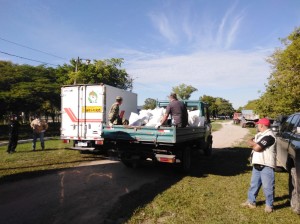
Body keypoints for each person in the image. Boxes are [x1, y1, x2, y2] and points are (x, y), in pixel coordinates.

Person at [241, 118, 276, 213]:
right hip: (257, 164)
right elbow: (250, 141)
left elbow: (257, 148)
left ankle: (269, 205)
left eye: (258, 124)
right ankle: (251, 201)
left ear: (262, 125)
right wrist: (254, 143)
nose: (257, 126)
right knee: (254, 185)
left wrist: (253, 144)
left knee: (268, 187)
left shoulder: (269, 136)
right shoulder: (260, 135)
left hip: (266, 165)